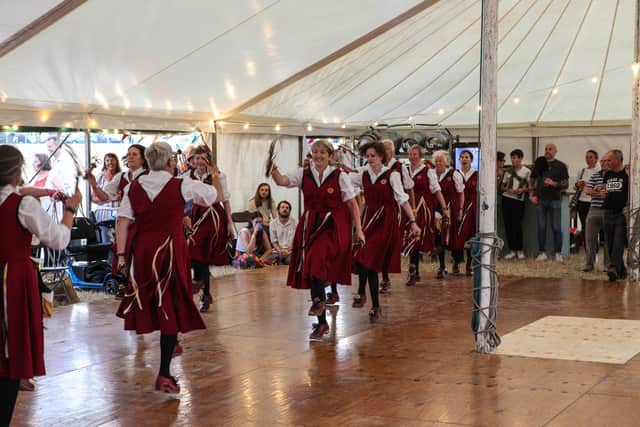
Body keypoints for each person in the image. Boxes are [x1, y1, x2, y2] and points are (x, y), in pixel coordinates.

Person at [115, 142, 221, 393]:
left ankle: (170, 345)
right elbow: (213, 197)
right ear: (171, 162)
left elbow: (122, 222)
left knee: (154, 300)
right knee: (172, 305)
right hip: (171, 251)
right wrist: (215, 176)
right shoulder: (182, 184)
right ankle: (164, 372)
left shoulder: (133, 186)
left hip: (142, 252)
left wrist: (121, 256)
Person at [0, 145, 81, 425]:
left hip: (11, 274)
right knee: (11, 353)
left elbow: (18, 193)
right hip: (12, 278)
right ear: (16, 172)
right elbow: (57, 239)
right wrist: (70, 210)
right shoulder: (22, 204)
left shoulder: (21, 199)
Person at [270, 139, 364, 339]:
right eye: (315, 152)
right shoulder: (303, 174)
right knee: (313, 269)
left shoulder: (340, 176)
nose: (319, 156)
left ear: (330, 156)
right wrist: (272, 168)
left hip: (333, 225)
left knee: (315, 258)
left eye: (323, 152)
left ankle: (321, 306)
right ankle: (321, 321)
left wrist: (359, 230)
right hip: (310, 225)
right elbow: (282, 181)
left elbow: (352, 204)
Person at [350, 141, 420, 322]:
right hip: (369, 219)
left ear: (381, 156)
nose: (370, 159)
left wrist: (412, 221)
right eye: (368, 156)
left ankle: (361, 293)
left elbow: (402, 199)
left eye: (373, 155)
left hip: (386, 222)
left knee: (367, 256)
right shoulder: (363, 174)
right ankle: (375, 306)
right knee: (368, 263)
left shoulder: (392, 175)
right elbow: (344, 181)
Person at [185, 145, 233, 312]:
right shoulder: (187, 176)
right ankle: (205, 292)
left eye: (203, 158)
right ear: (192, 160)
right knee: (198, 255)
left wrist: (229, 222)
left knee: (198, 249)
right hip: (193, 215)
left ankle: (200, 285)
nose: (199, 161)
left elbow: (225, 199)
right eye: (196, 158)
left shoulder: (218, 175)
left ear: (209, 160)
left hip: (213, 216)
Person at [405, 144, 448, 285]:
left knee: (425, 236)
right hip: (410, 208)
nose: (412, 157)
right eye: (410, 154)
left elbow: (436, 190)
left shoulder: (428, 171)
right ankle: (414, 270)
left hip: (423, 209)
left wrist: (444, 208)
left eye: (415, 154)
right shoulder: (404, 170)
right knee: (412, 238)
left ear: (421, 156)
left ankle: (440, 265)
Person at [380, 139, 415, 293]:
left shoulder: (400, 168)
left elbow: (409, 188)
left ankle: (413, 267)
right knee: (382, 242)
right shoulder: (376, 166)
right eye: (383, 149)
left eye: (387, 149)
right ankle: (385, 278)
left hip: (397, 209)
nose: (385, 152)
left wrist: (412, 209)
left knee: (396, 241)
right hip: (380, 210)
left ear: (392, 151)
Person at [529, 144, 569, 262]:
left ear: (556, 151)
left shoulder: (561, 166)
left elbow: (566, 184)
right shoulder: (539, 164)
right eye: (545, 149)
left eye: (550, 149)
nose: (547, 151)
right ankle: (542, 253)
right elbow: (532, 180)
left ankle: (558, 253)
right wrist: (531, 194)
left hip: (555, 200)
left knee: (556, 227)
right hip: (540, 200)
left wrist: (553, 184)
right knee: (541, 227)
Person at [433, 150, 464, 279]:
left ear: (446, 161)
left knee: (453, 237)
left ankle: (456, 262)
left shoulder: (454, 174)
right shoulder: (431, 174)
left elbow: (461, 192)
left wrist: (461, 209)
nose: (438, 163)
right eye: (436, 161)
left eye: (440, 160)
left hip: (451, 209)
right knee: (439, 237)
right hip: (437, 208)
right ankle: (441, 266)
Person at [602, 149, 629, 281]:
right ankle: (622, 271)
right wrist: (602, 192)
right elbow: (604, 189)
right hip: (607, 211)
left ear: (618, 160)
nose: (607, 163)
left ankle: (613, 267)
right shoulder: (607, 174)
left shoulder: (627, 173)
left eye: (610, 160)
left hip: (621, 213)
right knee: (610, 243)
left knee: (619, 241)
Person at [501, 149, 531, 260]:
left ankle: (520, 250)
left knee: (517, 226)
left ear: (521, 158)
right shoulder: (508, 171)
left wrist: (522, 190)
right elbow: (502, 187)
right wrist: (507, 190)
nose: (513, 160)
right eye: (512, 158)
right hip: (507, 199)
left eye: (515, 158)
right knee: (508, 225)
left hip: (518, 201)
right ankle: (512, 250)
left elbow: (530, 187)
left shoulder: (526, 171)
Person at [453, 150, 478, 276]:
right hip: (459, 207)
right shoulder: (455, 173)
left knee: (470, 236)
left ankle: (469, 264)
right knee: (458, 235)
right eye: (462, 157)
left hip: (472, 208)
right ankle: (456, 261)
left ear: (471, 160)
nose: (464, 159)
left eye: (467, 157)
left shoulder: (477, 174)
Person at [583, 156, 609, 272]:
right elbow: (587, 190)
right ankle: (589, 265)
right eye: (602, 161)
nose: (604, 163)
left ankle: (608, 266)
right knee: (590, 239)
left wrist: (597, 192)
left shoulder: (614, 176)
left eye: (607, 161)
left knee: (608, 240)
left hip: (608, 210)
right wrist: (599, 194)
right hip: (594, 209)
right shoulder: (595, 175)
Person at [574, 150, 599, 245]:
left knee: (593, 226)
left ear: (596, 159)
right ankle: (587, 249)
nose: (588, 159)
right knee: (584, 226)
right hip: (582, 201)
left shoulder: (599, 171)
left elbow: (599, 185)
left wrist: (587, 183)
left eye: (591, 157)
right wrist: (578, 184)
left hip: (594, 202)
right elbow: (575, 186)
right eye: (587, 157)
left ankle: (595, 248)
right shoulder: (582, 171)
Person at [270, 200, 296, 265]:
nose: (285, 209)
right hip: (277, 252)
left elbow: (296, 240)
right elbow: (274, 242)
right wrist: (280, 251)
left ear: (290, 211)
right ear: (278, 210)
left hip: (290, 252)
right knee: (270, 260)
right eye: (283, 207)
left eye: (287, 208)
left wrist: (287, 250)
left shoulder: (295, 223)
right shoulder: (273, 223)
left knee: (291, 261)